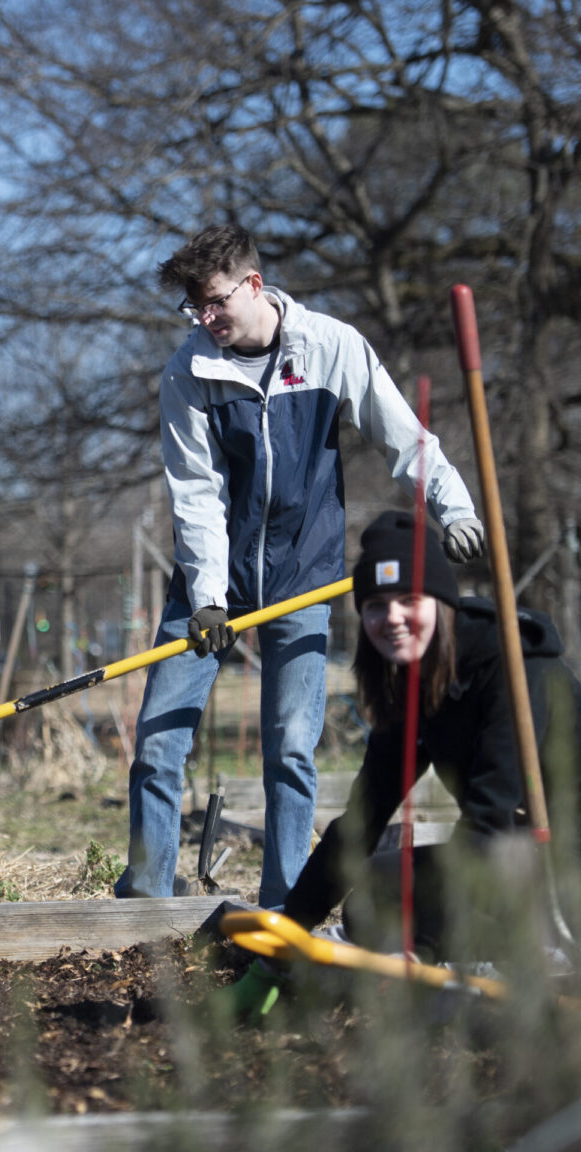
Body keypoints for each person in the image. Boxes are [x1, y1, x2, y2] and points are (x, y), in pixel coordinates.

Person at [114, 224, 484, 910]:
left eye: (216, 303)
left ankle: (288, 903)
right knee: (160, 742)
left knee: (290, 750)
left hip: (303, 577)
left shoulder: (328, 348)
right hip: (207, 587)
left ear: (253, 285)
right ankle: (146, 902)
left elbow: (406, 438)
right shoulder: (188, 373)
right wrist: (206, 597)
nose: (206, 319)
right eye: (195, 309)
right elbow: (197, 495)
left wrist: (454, 509)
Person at [221, 510, 581, 1021]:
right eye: (375, 605)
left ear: (443, 603)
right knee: (376, 892)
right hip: (512, 860)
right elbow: (362, 823)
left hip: (561, 865)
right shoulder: (412, 684)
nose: (391, 618)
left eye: (410, 600)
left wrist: (423, 945)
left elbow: (487, 823)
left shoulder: (514, 675)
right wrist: (278, 953)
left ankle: (529, 967)